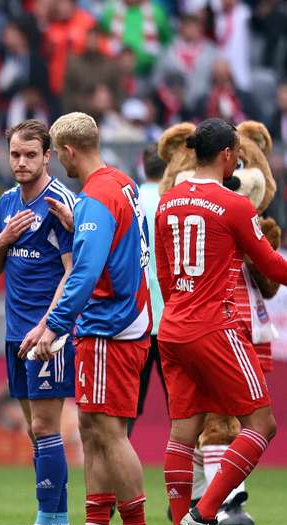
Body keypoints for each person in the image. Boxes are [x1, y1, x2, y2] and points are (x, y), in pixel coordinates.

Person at [157, 119, 287, 525]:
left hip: (172, 327)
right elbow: (271, 266)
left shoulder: (167, 201)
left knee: (184, 433)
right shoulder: (234, 206)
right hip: (214, 327)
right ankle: (206, 513)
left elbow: (162, 270)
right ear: (230, 154)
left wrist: (180, 307)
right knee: (262, 424)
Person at [35, 112, 153, 525]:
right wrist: (79, 224)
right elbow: (121, 241)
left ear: (67, 151)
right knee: (90, 425)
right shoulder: (122, 182)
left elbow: (84, 274)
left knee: (108, 430)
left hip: (109, 325)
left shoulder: (96, 198)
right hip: (128, 317)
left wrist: (54, 326)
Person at [0, 119, 77, 525]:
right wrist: (3, 239)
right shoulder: (5, 204)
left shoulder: (60, 204)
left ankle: (45, 524)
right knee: (34, 431)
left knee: (45, 425)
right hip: (14, 332)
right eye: (15, 154)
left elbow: (74, 272)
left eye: (30, 155)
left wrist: (49, 324)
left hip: (47, 333)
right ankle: (57, 522)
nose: (21, 162)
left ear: (47, 156)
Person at [134, 143, 168, 437]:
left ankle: (117, 481)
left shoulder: (131, 201)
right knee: (184, 412)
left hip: (137, 320)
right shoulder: (176, 201)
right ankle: (192, 483)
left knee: (127, 413)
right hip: (174, 319)